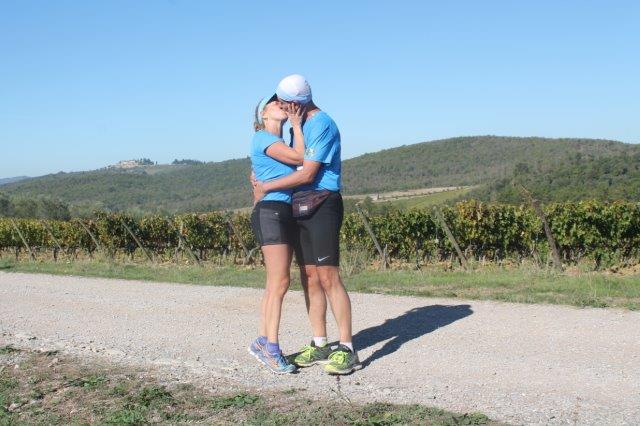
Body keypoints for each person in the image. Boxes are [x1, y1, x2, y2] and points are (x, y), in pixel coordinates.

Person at [253, 74, 360, 375]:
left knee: (328, 276)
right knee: (309, 277)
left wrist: (266, 186)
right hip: (301, 204)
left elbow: (308, 173)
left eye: (283, 101)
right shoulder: (297, 127)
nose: (280, 105)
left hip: (323, 202)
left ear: (293, 103)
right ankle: (320, 343)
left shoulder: (322, 124)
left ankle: (347, 348)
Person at [248, 94, 306, 374]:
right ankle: (272, 349)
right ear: (264, 115)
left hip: (278, 211)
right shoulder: (262, 138)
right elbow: (300, 158)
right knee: (280, 282)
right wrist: (296, 123)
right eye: (273, 103)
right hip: (271, 212)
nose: (280, 104)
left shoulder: (278, 143)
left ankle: (262, 341)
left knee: (274, 283)